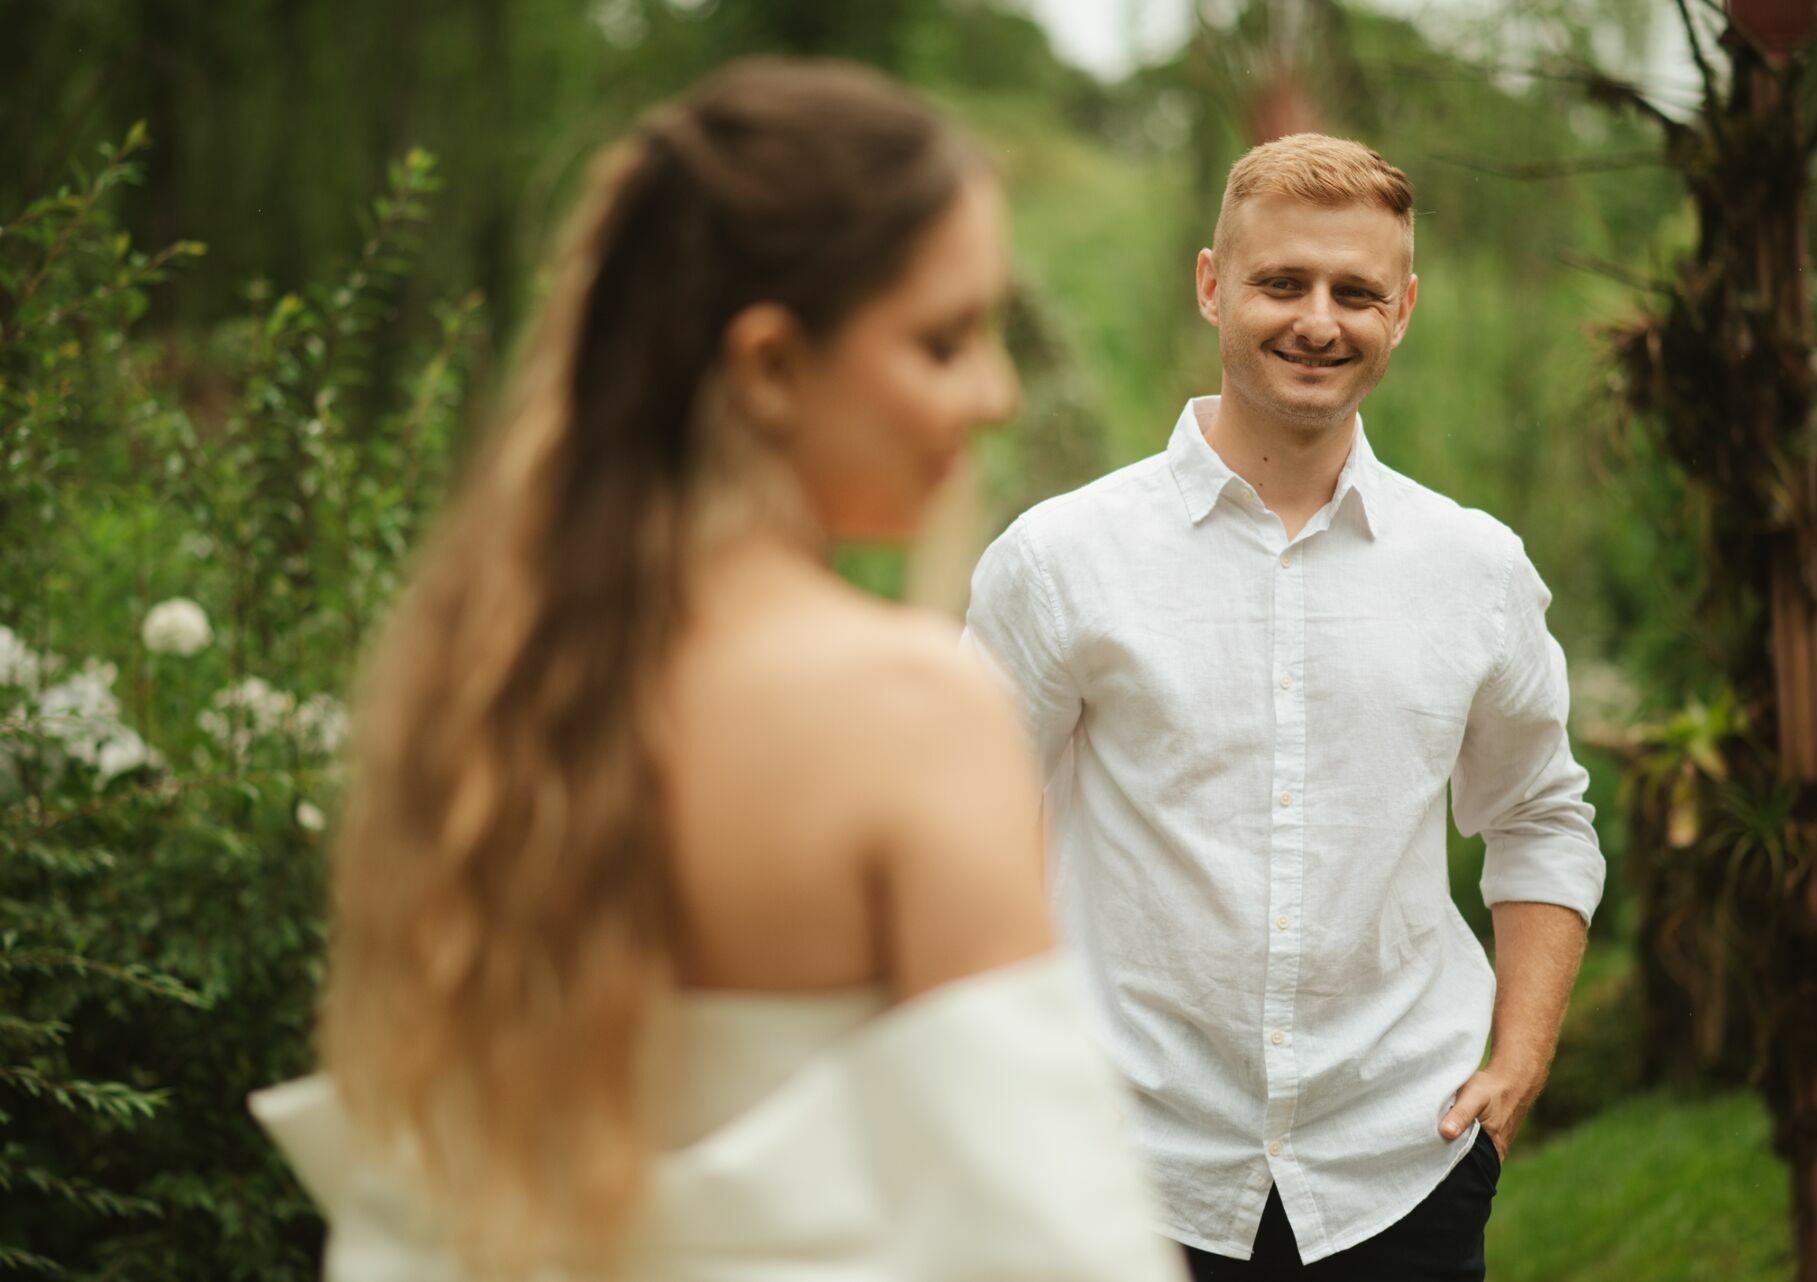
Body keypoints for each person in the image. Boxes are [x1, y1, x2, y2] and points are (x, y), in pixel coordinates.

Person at [249, 59, 1187, 1282]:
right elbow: (1059, 1248)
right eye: (944, 340)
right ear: (770, 367)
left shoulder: (468, 683)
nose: (997, 392)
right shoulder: (905, 711)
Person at [963, 134, 1605, 1280]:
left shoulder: (1475, 569)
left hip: (1404, 1170)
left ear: (1402, 309)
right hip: (1127, 1175)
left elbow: (1542, 818)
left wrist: (1521, 1061)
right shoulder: (1059, 561)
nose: (1320, 320)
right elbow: (960, 840)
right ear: (1213, 284)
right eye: (1282, 283)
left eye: (1356, 291)